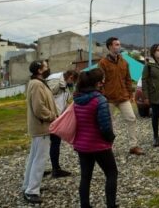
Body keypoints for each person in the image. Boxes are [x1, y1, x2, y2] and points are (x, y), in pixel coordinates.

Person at [73, 68, 118, 207]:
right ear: (98, 83)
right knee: (112, 173)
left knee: (85, 176)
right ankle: (111, 205)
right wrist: (110, 138)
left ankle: (85, 205)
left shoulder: (77, 99)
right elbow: (105, 126)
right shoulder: (100, 100)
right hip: (99, 144)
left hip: (82, 145)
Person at [98, 37, 144, 155]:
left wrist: (130, 94)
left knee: (131, 118)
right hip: (109, 99)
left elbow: (128, 79)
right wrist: (102, 96)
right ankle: (108, 147)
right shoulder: (102, 63)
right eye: (116, 44)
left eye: (119, 44)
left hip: (123, 97)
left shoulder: (124, 62)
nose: (119, 46)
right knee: (108, 124)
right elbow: (99, 82)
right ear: (110, 47)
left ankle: (133, 146)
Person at [22, 60, 58, 204]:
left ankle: (27, 186)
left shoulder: (37, 83)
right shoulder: (37, 85)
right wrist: (53, 117)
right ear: (39, 70)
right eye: (45, 66)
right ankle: (32, 191)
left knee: (33, 158)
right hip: (42, 126)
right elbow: (39, 108)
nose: (48, 68)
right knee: (40, 159)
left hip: (40, 126)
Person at [46, 70, 78, 178]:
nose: (72, 83)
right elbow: (46, 98)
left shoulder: (64, 83)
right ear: (70, 76)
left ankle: (51, 168)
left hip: (57, 115)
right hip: (51, 116)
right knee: (52, 142)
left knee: (54, 142)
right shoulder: (55, 81)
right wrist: (51, 115)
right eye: (73, 80)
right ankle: (55, 169)